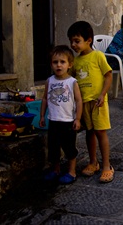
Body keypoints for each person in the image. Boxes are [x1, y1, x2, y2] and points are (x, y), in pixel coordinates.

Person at [67, 21, 115, 183]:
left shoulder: (98, 56)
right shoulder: (76, 61)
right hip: (84, 103)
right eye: (71, 41)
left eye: (76, 41)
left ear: (88, 40)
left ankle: (107, 166)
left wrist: (103, 94)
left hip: (97, 102)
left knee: (100, 132)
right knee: (89, 132)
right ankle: (93, 162)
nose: (73, 45)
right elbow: (71, 80)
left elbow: (108, 75)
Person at [40, 45, 83, 185]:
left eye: (62, 62)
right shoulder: (49, 81)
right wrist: (42, 116)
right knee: (53, 147)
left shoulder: (72, 82)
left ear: (69, 64)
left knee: (69, 147)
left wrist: (77, 118)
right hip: (53, 120)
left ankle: (72, 171)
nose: (59, 65)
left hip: (68, 121)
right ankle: (56, 169)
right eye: (55, 62)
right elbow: (45, 99)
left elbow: (78, 100)